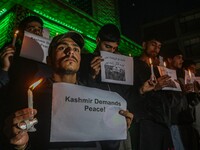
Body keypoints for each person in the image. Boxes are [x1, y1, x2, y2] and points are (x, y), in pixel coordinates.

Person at [3, 31, 133, 150]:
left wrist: (117, 130)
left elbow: (108, 145)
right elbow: (22, 139)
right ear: (49, 60)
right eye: (62, 48)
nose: (70, 51)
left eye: (76, 49)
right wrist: (21, 145)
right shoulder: (31, 94)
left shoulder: (97, 97)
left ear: (80, 60)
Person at [79, 23, 132, 150]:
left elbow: (125, 94)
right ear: (98, 40)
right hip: (96, 122)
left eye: (114, 48)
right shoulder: (85, 60)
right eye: (107, 46)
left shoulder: (119, 62)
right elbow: (80, 91)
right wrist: (91, 75)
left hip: (118, 120)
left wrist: (141, 90)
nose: (111, 51)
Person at [128, 35, 175, 150]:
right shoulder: (132, 64)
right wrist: (152, 88)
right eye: (153, 44)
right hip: (144, 120)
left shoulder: (158, 69)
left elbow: (165, 97)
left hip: (162, 120)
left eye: (159, 47)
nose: (156, 49)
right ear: (144, 45)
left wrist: (174, 87)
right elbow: (130, 92)